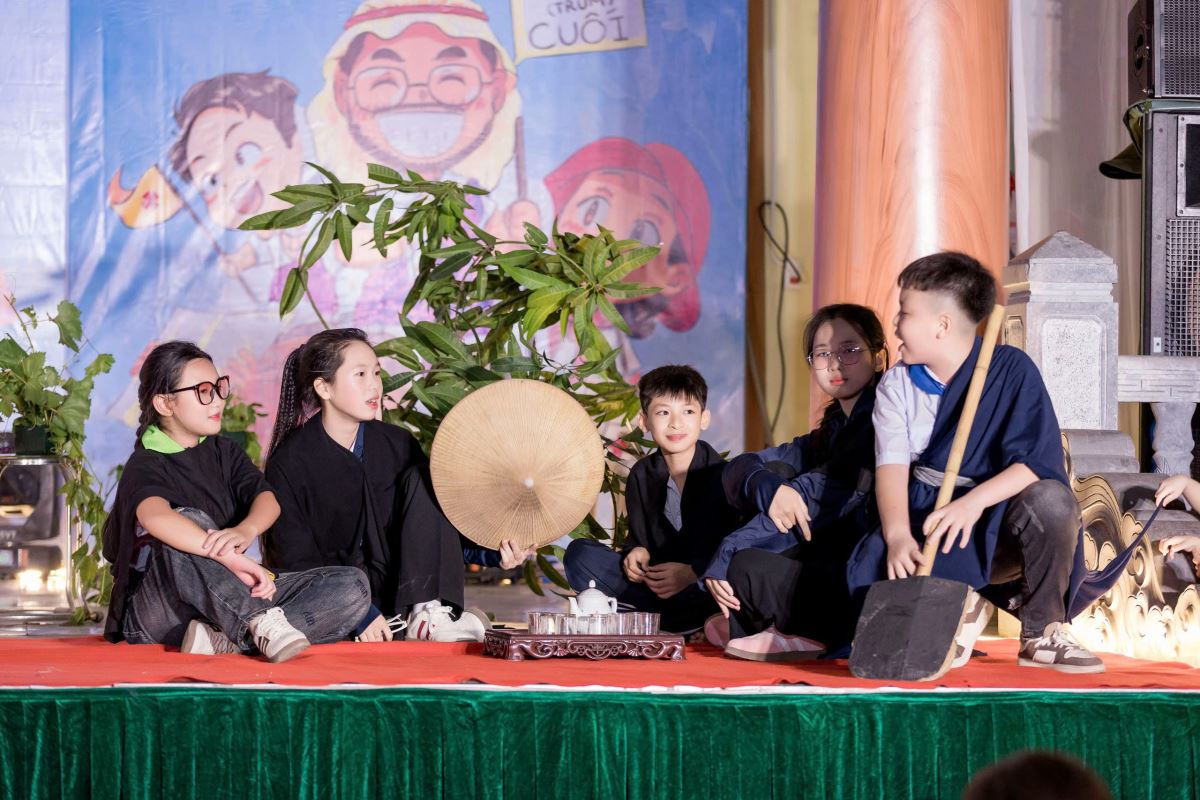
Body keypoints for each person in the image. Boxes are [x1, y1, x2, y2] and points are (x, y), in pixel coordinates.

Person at [845, 251, 1106, 673]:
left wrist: (972, 503)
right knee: (875, 572)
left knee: (1052, 502)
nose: (894, 323)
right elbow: (890, 466)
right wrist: (897, 536)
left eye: (905, 313)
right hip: (928, 517)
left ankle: (1042, 631)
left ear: (942, 325)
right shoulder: (898, 384)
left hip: (996, 519)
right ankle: (956, 605)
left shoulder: (1012, 370)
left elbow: (1035, 463)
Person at [101, 341, 370, 661]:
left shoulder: (225, 451)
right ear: (164, 403)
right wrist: (229, 559)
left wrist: (245, 531)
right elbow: (156, 517)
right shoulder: (146, 462)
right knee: (188, 521)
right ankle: (258, 623)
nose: (218, 399)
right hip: (160, 614)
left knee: (352, 586)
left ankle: (227, 639)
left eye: (219, 387)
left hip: (225, 598)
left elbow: (268, 500)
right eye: (203, 391)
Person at [262, 328, 534, 642]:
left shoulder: (397, 443)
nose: (374, 385)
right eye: (360, 374)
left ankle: (427, 612)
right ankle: (415, 619)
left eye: (377, 373)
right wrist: (359, 613)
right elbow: (295, 559)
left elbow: (431, 530)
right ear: (324, 387)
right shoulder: (290, 462)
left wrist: (494, 553)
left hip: (402, 597)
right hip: (339, 605)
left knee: (422, 477)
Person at [703, 304, 886, 660]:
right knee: (771, 477)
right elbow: (742, 467)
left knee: (744, 564)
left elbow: (817, 494)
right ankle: (759, 620)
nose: (835, 364)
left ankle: (801, 630)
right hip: (824, 564)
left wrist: (728, 549)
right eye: (823, 354)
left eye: (849, 350)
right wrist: (767, 487)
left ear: (878, 358)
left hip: (858, 577)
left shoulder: (877, 423)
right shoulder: (834, 427)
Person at [563, 365, 742, 634]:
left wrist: (692, 572)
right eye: (663, 412)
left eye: (688, 411)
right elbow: (639, 539)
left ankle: (676, 623)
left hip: (704, 592)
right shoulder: (641, 474)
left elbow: (739, 549)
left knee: (741, 572)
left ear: (704, 419)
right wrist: (636, 552)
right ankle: (660, 623)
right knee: (580, 555)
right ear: (644, 422)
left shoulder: (725, 475)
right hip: (656, 592)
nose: (676, 423)